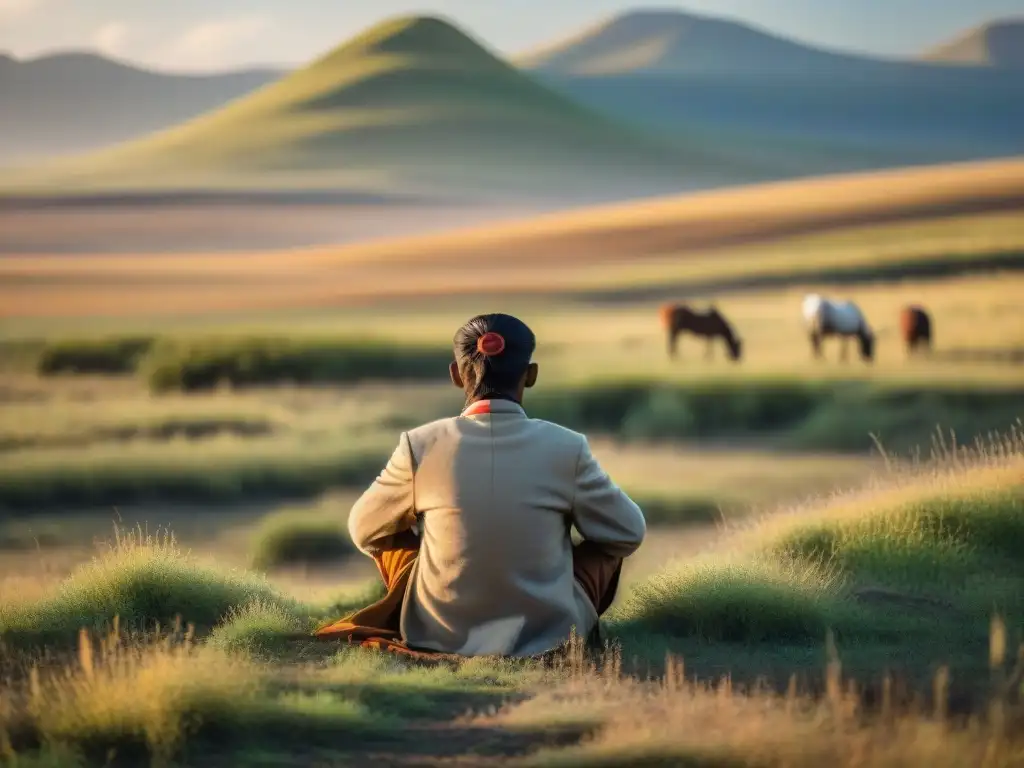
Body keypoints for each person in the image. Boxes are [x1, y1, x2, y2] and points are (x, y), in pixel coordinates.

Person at [316, 313, 647, 658]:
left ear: (456, 375)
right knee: (606, 545)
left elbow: (363, 529)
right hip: (550, 637)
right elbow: (629, 531)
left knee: (390, 536)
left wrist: (426, 544)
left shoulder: (420, 444)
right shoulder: (567, 446)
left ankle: (422, 613)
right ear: (530, 375)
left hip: (437, 635)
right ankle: (561, 624)